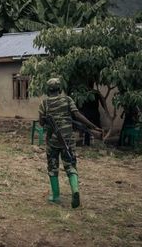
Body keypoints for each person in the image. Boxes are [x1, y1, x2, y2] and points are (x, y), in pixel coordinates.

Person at [39, 78, 101, 208]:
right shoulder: (67, 100)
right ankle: (75, 191)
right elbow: (77, 115)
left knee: (53, 167)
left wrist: (47, 119)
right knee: (71, 166)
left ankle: (55, 196)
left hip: (52, 141)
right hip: (68, 139)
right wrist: (92, 126)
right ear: (60, 89)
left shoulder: (44, 103)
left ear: (48, 90)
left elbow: (41, 122)